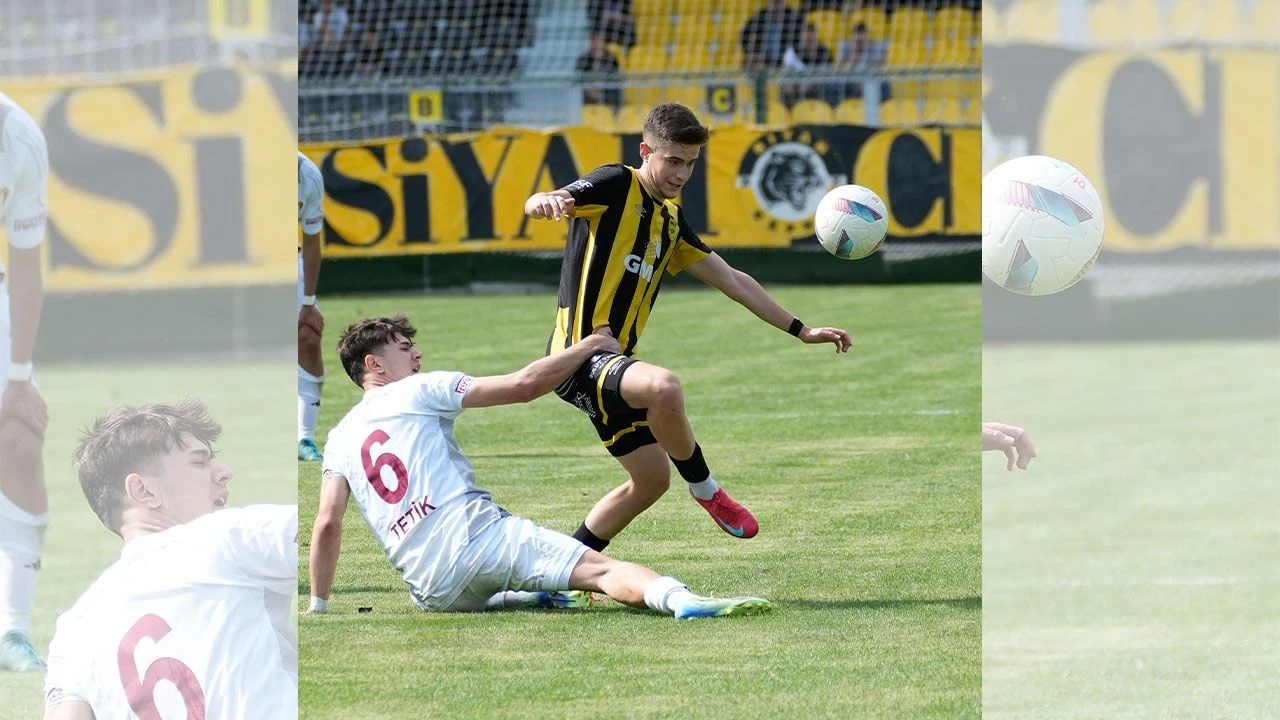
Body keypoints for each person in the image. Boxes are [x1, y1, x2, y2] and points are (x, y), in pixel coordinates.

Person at [523, 103, 850, 552]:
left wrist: (802, 330)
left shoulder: (671, 221)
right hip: (577, 356)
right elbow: (550, 197)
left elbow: (733, 280)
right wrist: (544, 200)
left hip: (611, 364)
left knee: (651, 481)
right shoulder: (617, 183)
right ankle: (706, 489)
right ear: (646, 152)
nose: (681, 174)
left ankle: (556, 570)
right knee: (663, 387)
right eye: (673, 161)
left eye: (691, 163)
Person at [308, 315, 772, 620]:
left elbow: (328, 522)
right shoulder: (418, 388)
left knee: (482, 589)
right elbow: (525, 385)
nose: (416, 355)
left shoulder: (338, 439)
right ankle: (682, 600)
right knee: (603, 572)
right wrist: (590, 345)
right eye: (404, 348)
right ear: (374, 363)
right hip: (480, 541)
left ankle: (529, 593)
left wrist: (318, 604)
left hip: (430, 587)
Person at [43, 400, 297, 718]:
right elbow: (324, 531)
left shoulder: (75, 628)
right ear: (143, 491)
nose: (224, 473)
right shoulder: (227, 538)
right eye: (199, 462)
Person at [0, 91, 51, 672]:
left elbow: (26, 262)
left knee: (20, 440)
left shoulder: (18, 138)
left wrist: (18, 376)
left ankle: (12, 631)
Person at [298, 151, 326, 461]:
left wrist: (308, 301)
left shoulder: (307, 174)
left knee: (308, 336)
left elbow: (311, 240)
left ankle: (303, 438)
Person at [576, 32, 622, 110]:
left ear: (604, 42)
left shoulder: (611, 59)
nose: (596, 43)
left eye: (599, 40)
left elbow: (614, 80)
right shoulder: (583, 59)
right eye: (594, 40)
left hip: (608, 94)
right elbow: (579, 78)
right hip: (589, 96)